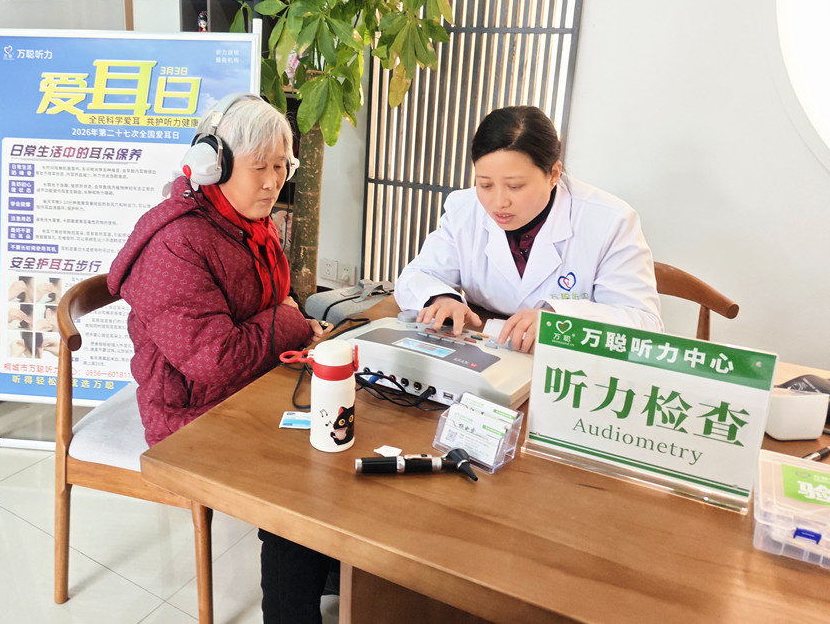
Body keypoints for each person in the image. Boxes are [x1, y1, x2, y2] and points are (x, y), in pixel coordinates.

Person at [107, 93, 333, 622]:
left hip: (250, 386)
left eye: (281, 166)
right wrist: (293, 322)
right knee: (299, 476)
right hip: (190, 416)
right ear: (215, 165)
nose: (274, 182)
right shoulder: (175, 244)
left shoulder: (248, 222)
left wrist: (292, 320)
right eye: (260, 167)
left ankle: (328, 563)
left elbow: (273, 306)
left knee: (339, 432)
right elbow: (215, 360)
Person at [395, 105, 662, 352]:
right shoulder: (464, 209)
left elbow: (643, 322)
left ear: (554, 174)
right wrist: (440, 298)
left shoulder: (609, 220)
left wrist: (561, 319)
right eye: (485, 185)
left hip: (565, 359)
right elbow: (418, 275)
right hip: (484, 348)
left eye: (515, 186)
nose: (499, 202)